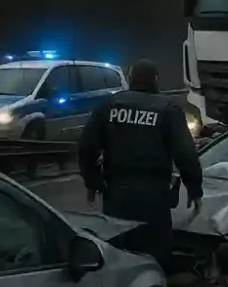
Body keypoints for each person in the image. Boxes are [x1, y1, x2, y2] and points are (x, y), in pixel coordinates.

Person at [78, 59, 203, 266]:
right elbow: (186, 154)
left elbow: (87, 147)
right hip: (154, 196)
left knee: (117, 254)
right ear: (156, 80)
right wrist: (194, 189)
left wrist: (92, 182)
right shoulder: (168, 109)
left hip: (116, 194)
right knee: (155, 255)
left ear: (129, 79)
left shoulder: (109, 106)